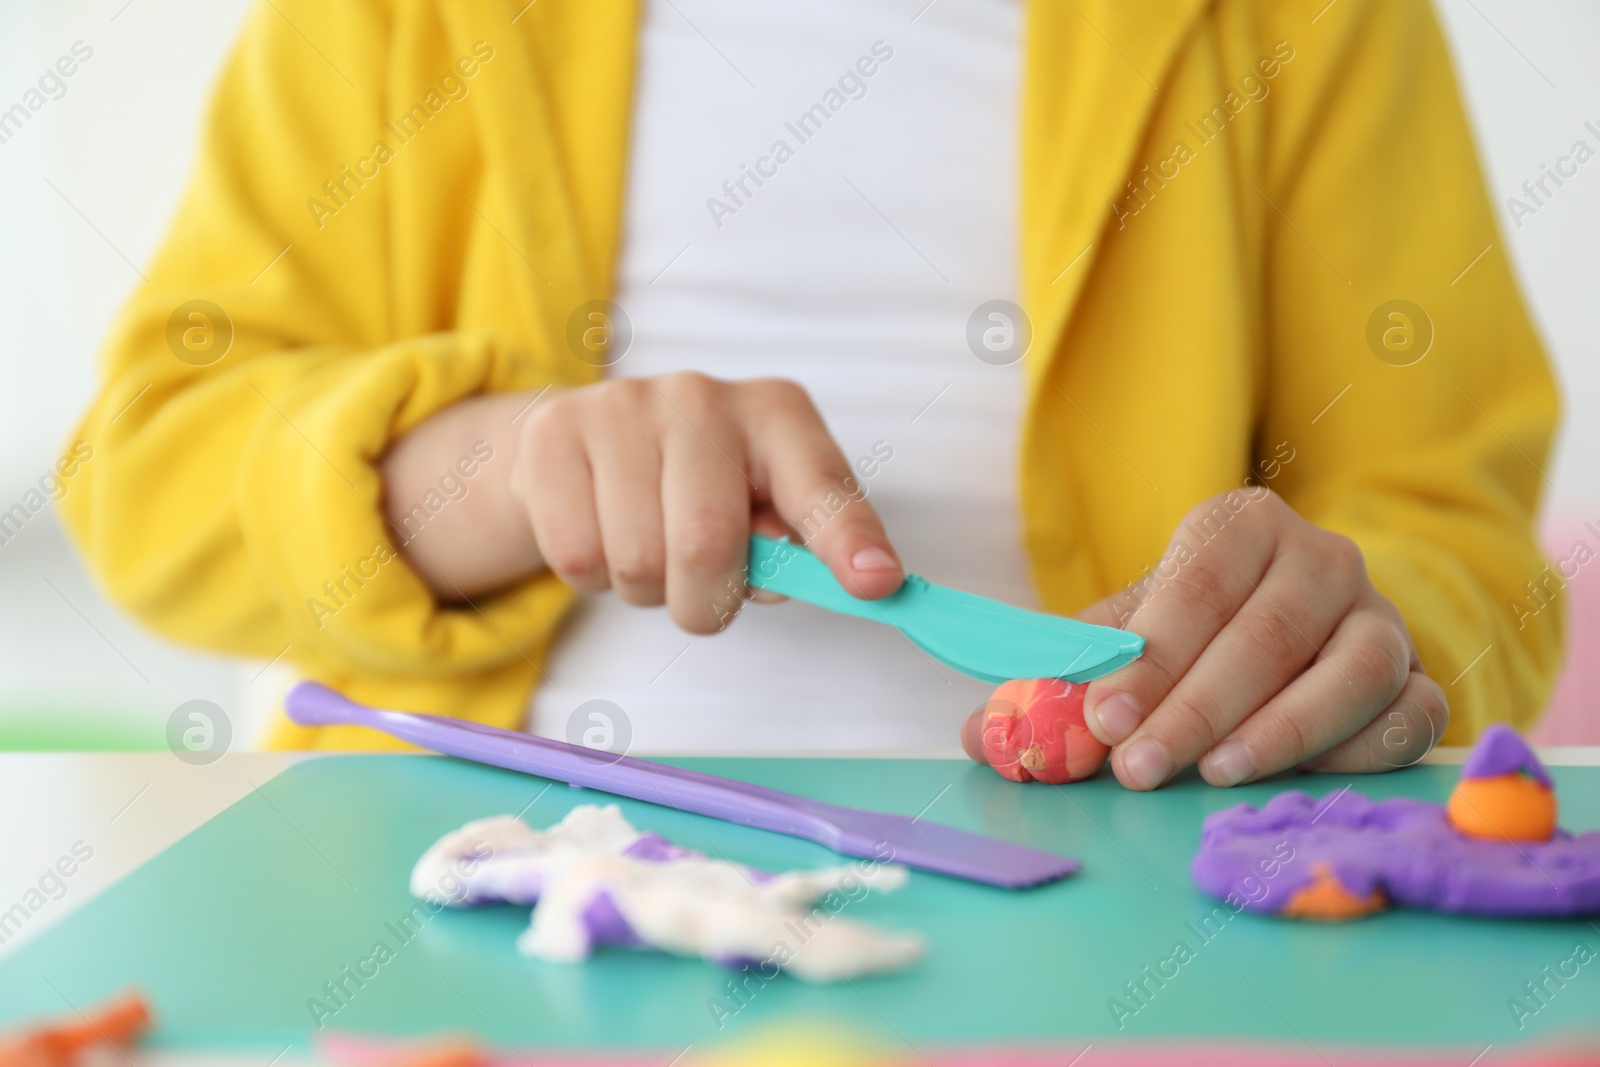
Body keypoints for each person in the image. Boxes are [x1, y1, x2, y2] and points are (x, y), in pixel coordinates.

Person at [60, 0, 1561, 790]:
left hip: (1122, 954)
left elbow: (1464, 547)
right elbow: (145, 478)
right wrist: (503, 473)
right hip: (454, 921)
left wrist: (1355, 643)